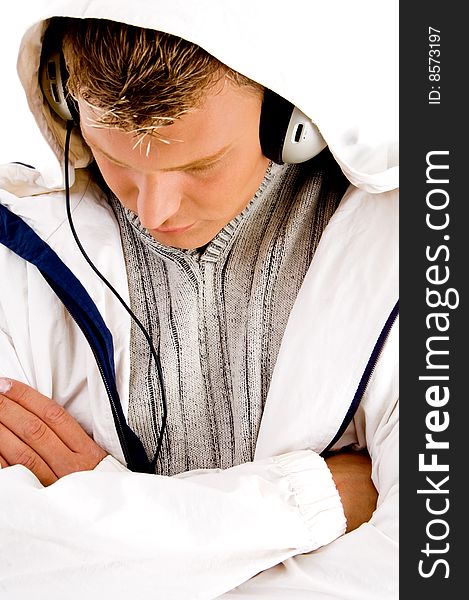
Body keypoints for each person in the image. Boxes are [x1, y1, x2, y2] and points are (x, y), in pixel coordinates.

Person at [0, 2, 398, 599]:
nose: (155, 210)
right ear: (65, 102)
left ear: (291, 121)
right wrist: (309, 500)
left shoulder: (414, 255)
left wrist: (101, 538)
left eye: (201, 165)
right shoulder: (14, 255)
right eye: (117, 160)